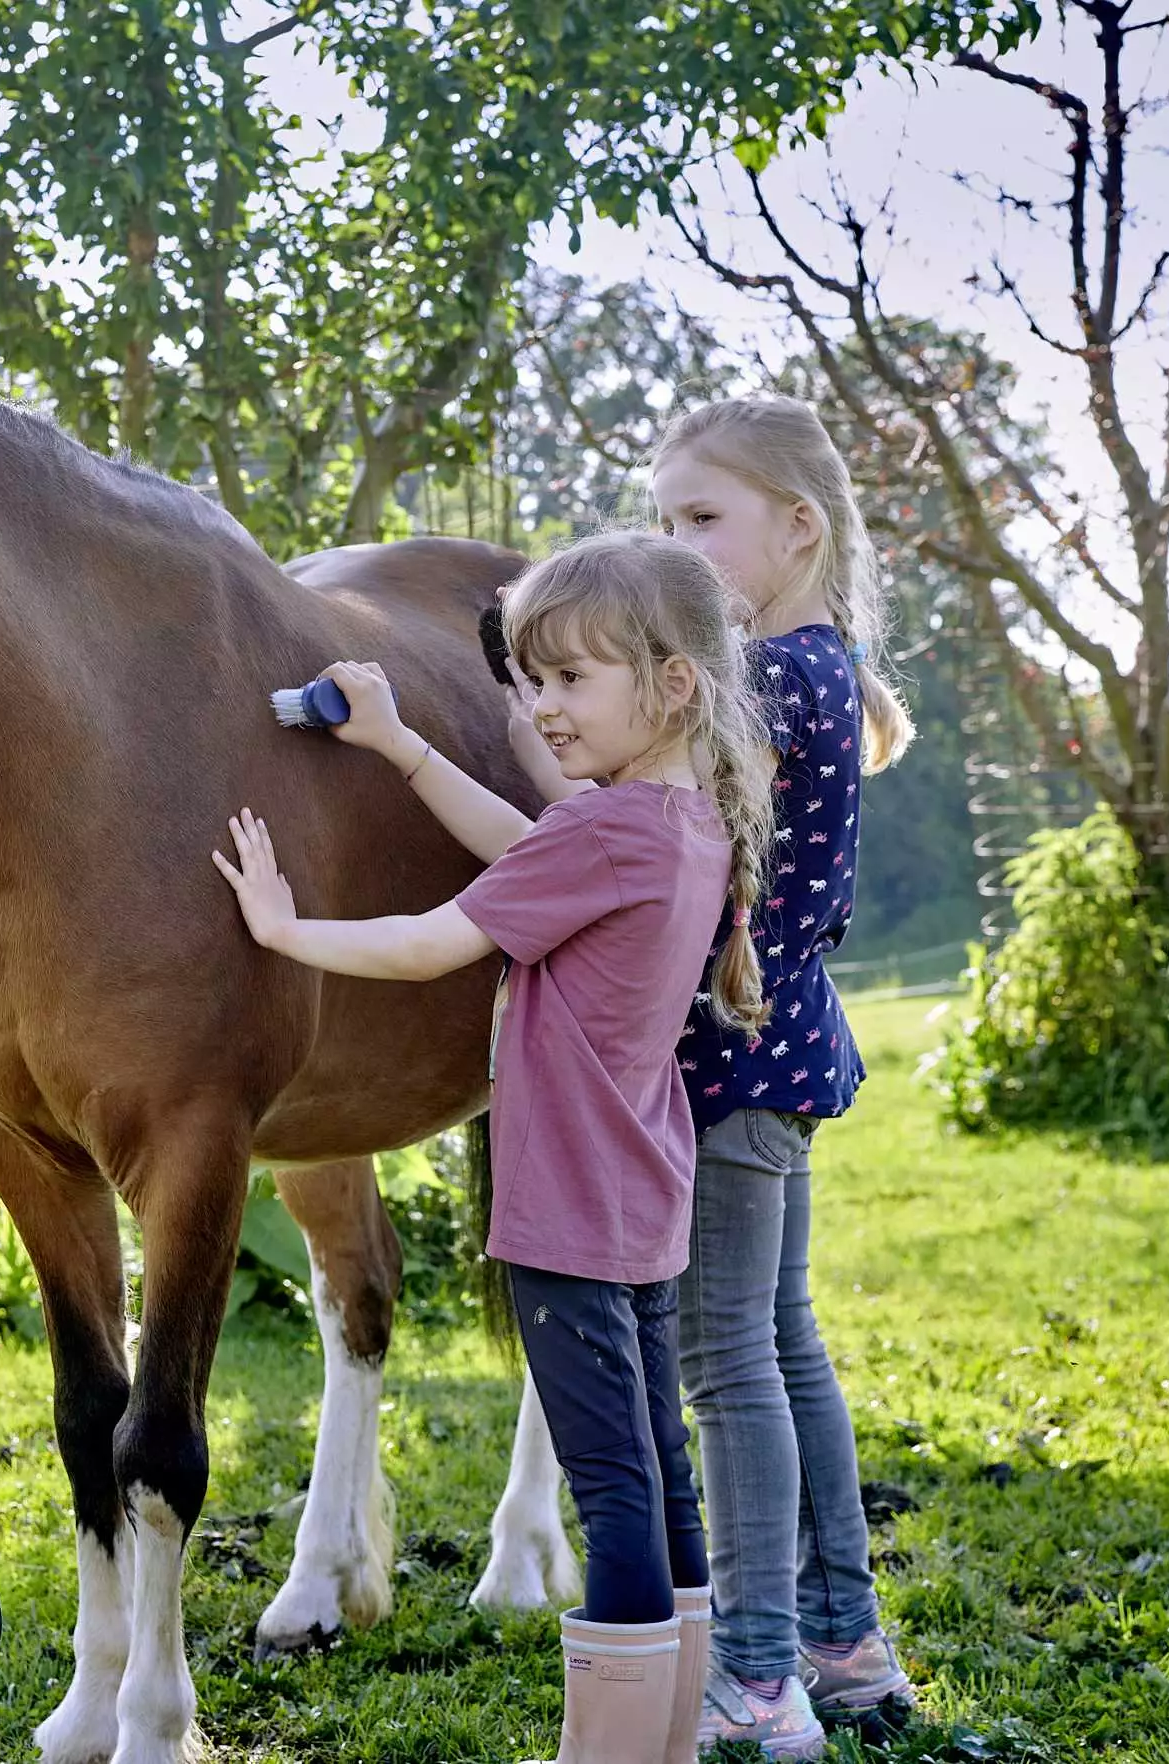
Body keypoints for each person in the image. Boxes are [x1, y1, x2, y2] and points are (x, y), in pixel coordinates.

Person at [212, 531, 773, 1764]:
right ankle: (668, 1738)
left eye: (571, 682)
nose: (545, 710)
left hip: (566, 1214)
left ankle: (610, 1751)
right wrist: (404, 746)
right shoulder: (681, 825)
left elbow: (429, 941)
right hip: (643, 1204)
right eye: (536, 680)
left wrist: (284, 927)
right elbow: (530, 850)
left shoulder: (604, 834)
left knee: (614, 1488)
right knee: (658, 1471)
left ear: (671, 685)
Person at [505, 396, 918, 1755]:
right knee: (784, 1348)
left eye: (701, 521)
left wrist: (533, 727)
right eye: (666, 518)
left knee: (727, 1364)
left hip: (733, 1061)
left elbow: (636, 824)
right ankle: (842, 1639)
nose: (677, 543)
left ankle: (754, 1667)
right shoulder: (823, 660)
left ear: (798, 527)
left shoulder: (769, 680)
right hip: (789, 1043)